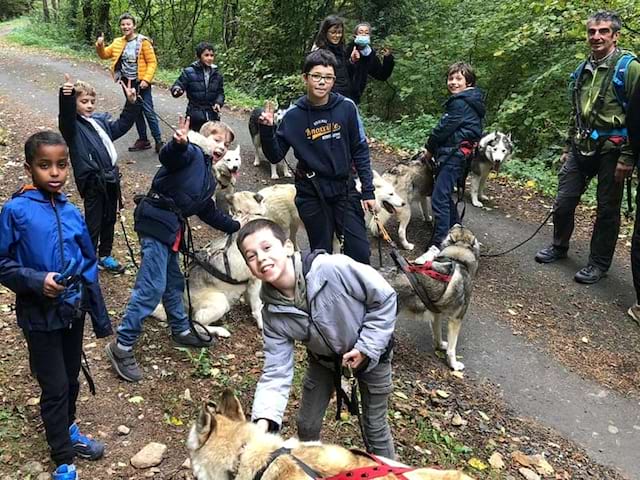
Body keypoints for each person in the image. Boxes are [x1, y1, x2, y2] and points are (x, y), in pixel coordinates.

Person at [0, 132, 112, 480]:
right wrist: (37, 281)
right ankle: (63, 458)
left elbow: (89, 263)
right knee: (55, 386)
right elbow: (2, 262)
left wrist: (99, 317)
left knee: (72, 378)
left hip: (72, 312)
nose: (55, 173)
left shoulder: (72, 212)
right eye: (45, 165)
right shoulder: (15, 210)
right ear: (28, 167)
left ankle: (68, 429)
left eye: (61, 165)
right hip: (39, 316)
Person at [237, 218, 396, 458]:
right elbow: (276, 371)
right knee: (307, 424)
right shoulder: (272, 313)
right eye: (251, 255)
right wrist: (263, 421)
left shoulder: (331, 269)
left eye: (267, 247)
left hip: (373, 358)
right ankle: (310, 470)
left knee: (374, 427)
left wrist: (366, 347)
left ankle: (389, 472)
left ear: (288, 247)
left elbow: (384, 298)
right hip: (324, 362)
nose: (260, 258)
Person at [105, 118, 241, 382]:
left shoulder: (207, 176)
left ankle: (180, 329)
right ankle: (121, 345)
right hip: (156, 221)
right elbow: (171, 157)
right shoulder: (190, 153)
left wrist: (237, 225)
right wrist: (177, 143)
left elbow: (208, 211)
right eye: (216, 138)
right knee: (151, 286)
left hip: (170, 228)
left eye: (225, 143)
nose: (221, 146)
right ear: (202, 138)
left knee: (173, 282)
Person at [535, 10, 640, 285]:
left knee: (607, 209)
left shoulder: (629, 68)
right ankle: (559, 246)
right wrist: (568, 145)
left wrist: (628, 156)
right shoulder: (584, 68)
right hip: (581, 145)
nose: (597, 37)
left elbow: (638, 115)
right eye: (592, 32)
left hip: (613, 150)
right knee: (564, 200)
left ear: (615, 35)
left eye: (603, 31)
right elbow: (576, 111)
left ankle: (598, 263)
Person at [258, 49, 376, 264]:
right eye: (317, 76)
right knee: (322, 256)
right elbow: (275, 155)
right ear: (305, 78)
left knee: (359, 253)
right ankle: (323, 296)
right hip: (311, 191)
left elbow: (359, 149)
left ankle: (358, 296)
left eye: (328, 77)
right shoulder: (293, 116)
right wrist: (267, 130)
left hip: (344, 189)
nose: (322, 82)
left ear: (333, 80)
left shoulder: (346, 108)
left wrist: (368, 190)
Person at [58, 74, 140, 274]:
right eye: (84, 101)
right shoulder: (73, 127)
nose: (89, 105)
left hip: (110, 179)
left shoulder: (99, 121)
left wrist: (131, 104)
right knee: (93, 221)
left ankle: (105, 255)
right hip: (93, 182)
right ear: (75, 103)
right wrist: (66, 96)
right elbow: (66, 116)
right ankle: (88, 258)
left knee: (109, 218)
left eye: (92, 101)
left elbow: (120, 126)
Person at [415, 62, 485, 263]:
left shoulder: (461, 102)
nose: (453, 82)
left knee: (439, 197)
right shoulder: (471, 100)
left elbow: (443, 128)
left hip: (453, 154)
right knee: (443, 195)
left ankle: (438, 245)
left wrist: (429, 148)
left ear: (468, 81)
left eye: (458, 79)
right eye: (451, 78)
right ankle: (459, 234)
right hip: (458, 154)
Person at [96, 12, 164, 153]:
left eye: (128, 24)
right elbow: (104, 55)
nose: (125, 27)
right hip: (126, 82)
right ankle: (143, 140)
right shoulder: (117, 42)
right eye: (123, 24)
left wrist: (146, 80)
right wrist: (100, 45)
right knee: (135, 112)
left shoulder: (143, 42)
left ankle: (159, 141)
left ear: (134, 25)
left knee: (148, 111)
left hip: (141, 83)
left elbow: (152, 62)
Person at [171, 41, 225, 133]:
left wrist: (218, 103)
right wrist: (177, 90)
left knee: (211, 143)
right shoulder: (189, 72)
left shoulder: (217, 74)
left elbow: (220, 92)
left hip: (212, 115)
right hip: (194, 114)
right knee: (194, 142)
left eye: (212, 55)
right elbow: (178, 85)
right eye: (206, 55)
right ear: (199, 56)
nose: (210, 58)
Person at [312, 15, 361, 99]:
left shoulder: (341, 49)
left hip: (346, 96)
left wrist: (352, 61)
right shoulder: (320, 52)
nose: (337, 35)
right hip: (330, 98)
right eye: (333, 32)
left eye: (339, 32)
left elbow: (345, 73)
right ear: (325, 32)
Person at [346, 22, 395, 105]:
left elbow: (381, 75)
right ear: (355, 35)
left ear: (369, 36)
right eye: (360, 32)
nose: (363, 35)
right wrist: (352, 61)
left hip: (356, 97)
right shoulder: (347, 49)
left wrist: (388, 58)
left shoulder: (369, 53)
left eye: (366, 33)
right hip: (342, 94)